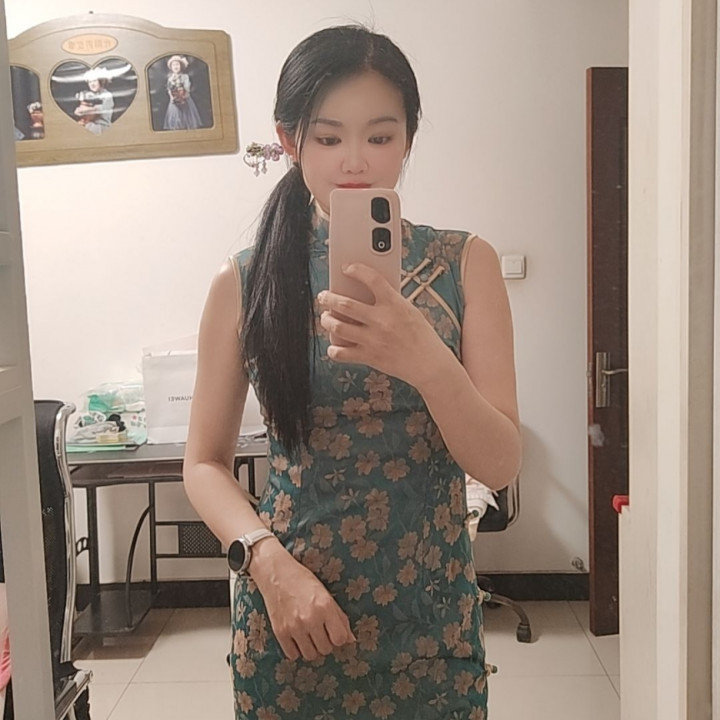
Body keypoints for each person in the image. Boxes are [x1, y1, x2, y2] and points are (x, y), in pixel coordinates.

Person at [183, 24, 521, 720]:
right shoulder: (246, 281)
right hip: (292, 614)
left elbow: (499, 462)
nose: (356, 160)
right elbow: (204, 462)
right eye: (329, 137)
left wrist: (429, 363)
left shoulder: (466, 265)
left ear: (409, 139)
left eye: (381, 135)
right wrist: (267, 565)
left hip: (431, 618)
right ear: (290, 141)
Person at [162, 55, 203, 131]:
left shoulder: (185, 76)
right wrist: (172, 97)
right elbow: (169, 88)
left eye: (177, 64)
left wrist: (183, 95)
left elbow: (187, 87)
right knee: (176, 117)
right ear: (171, 67)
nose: (176, 66)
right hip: (174, 99)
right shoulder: (170, 78)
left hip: (185, 98)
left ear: (181, 66)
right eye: (174, 65)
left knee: (186, 116)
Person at [74, 69, 114, 135]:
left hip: (101, 126)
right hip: (88, 124)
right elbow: (79, 111)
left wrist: (86, 109)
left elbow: (101, 109)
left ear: (101, 81)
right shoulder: (88, 95)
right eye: (90, 82)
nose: (92, 84)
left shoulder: (107, 95)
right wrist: (79, 110)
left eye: (94, 81)